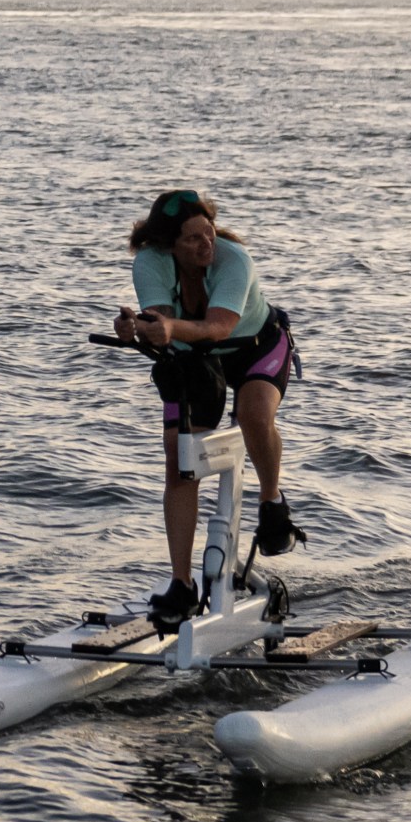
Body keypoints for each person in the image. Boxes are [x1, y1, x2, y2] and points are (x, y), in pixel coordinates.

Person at [114, 188, 303, 627]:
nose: (207, 245)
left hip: (256, 348)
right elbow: (160, 326)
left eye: (209, 233)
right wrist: (135, 330)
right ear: (168, 246)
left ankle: (273, 504)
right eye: (193, 239)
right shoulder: (150, 261)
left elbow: (218, 327)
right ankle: (182, 585)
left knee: (255, 415)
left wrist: (165, 328)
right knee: (180, 461)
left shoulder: (233, 259)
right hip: (197, 361)